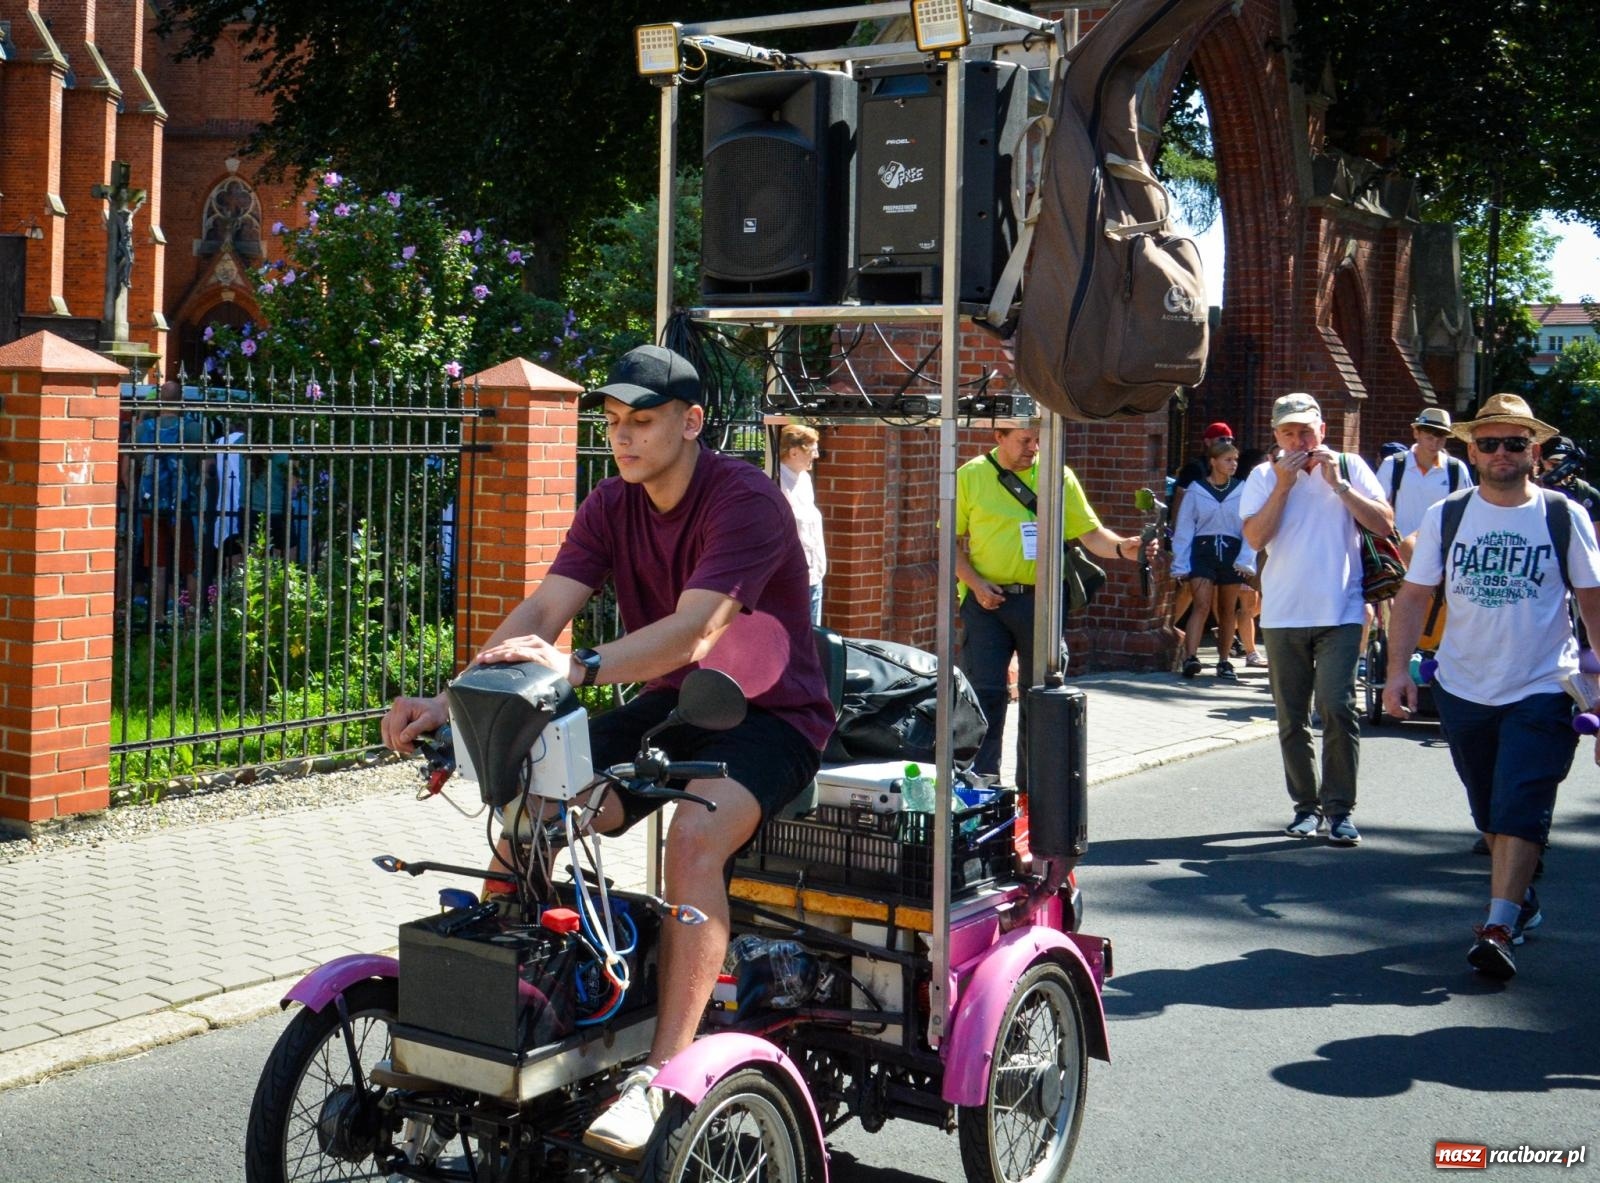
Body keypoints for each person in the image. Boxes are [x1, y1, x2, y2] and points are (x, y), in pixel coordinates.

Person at [381, 344, 832, 1158]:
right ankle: (507, 1017)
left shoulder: (747, 500)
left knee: (693, 841)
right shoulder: (610, 503)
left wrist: (580, 666)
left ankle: (662, 1076)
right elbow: (545, 608)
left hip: (772, 717)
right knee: (531, 818)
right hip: (671, 706)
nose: (622, 438)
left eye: (643, 421)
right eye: (615, 422)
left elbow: (697, 630)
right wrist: (453, 700)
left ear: (692, 423)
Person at [1382, 393, 1600, 980]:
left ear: (1534, 450)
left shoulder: (1562, 515)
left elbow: (1594, 602)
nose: (1502, 453)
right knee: (1489, 809)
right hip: (1462, 687)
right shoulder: (1448, 514)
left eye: (1515, 443)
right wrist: (1397, 670)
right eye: (1489, 443)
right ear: (1471, 451)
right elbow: (1413, 597)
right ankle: (1521, 896)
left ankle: (1498, 923)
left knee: (1519, 802)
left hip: (1544, 685)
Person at [954, 419, 1150, 788]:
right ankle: (980, 783)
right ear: (999, 438)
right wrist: (976, 584)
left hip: (1041, 602)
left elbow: (1091, 534)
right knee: (985, 694)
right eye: (1025, 440)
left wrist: (1124, 548)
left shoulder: (1058, 475)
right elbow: (950, 540)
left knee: (1039, 695)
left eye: (1039, 440)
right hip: (986, 603)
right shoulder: (971, 475)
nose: (1034, 448)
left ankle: (1034, 786)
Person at [1240, 393, 1394, 846]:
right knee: (1291, 717)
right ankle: (1305, 807)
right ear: (1276, 436)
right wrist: (1284, 487)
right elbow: (1255, 536)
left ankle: (1341, 809)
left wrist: (1340, 486)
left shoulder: (1350, 467)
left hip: (1340, 610)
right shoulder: (1264, 476)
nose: (1298, 440)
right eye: (1288, 433)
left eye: (1305, 431)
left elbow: (1385, 524)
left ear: (1323, 431)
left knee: (1337, 705)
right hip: (1283, 613)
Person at [1170, 438, 1256, 681]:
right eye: (1228, 460)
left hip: (1230, 550)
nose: (1233, 464)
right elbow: (1185, 526)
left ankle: (1224, 661)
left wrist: (1246, 558)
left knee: (1227, 609)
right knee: (1202, 604)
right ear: (1213, 462)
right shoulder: (1196, 490)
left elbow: (1248, 527)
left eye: (1236, 460)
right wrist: (1181, 563)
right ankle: (1190, 658)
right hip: (1203, 550)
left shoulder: (1241, 489)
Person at [1373, 406, 1474, 558]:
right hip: (1397, 553)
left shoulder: (1456, 469)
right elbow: (1377, 506)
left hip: (1439, 554)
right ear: (1416, 433)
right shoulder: (1392, 465)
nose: (1435, 443)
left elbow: (1466, 512)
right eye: (1430, 437)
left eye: (1441, 437)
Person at [777, 423, 827, 625]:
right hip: (792, 579)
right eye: (812, 449)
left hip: (814, 576)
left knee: (814, 641)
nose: (816, 455)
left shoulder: (805, 480)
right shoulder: (776, 481)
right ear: (794, 452)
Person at [1539, 435, 1600, 522]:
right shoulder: (1529, 490)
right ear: (1541, 460)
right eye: (1554, 463)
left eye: (1565, 462)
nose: (1560, 467)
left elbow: (1596, 533)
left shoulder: (1587, 493)